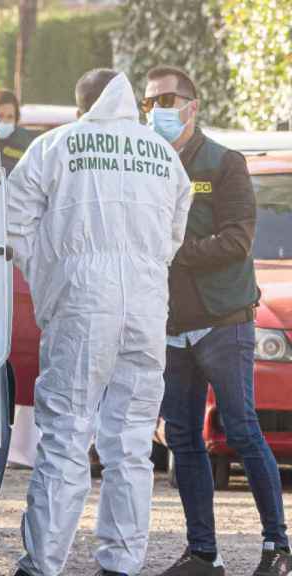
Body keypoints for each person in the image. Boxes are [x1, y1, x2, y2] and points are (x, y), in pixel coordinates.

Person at [7, 69, 191, 576]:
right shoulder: (164, 157)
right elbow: (173, 237)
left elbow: (13, 221)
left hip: (84, 304)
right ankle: (122, 564)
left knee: (66, 432)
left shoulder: (56, 146)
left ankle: (42, 563)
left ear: (81, 104)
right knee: (131, 443)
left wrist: (50, 279)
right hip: (147, 308)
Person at [147, 66, 291, 576]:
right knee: (183, 438)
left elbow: (237, 239)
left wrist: (176, 253)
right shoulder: (149, 163)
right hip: (171, 324)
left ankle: (277, 547)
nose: (159, 109)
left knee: (242, 429)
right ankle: (203, 553)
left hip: (222, 320)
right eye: (150, 102)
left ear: (192, 104)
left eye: (168, 98)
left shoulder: (224, 163)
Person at [0, 89, 38, 175]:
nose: (4, 121)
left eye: (10, 117)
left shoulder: (25, 145)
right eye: (0, 116)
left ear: (16, 120)